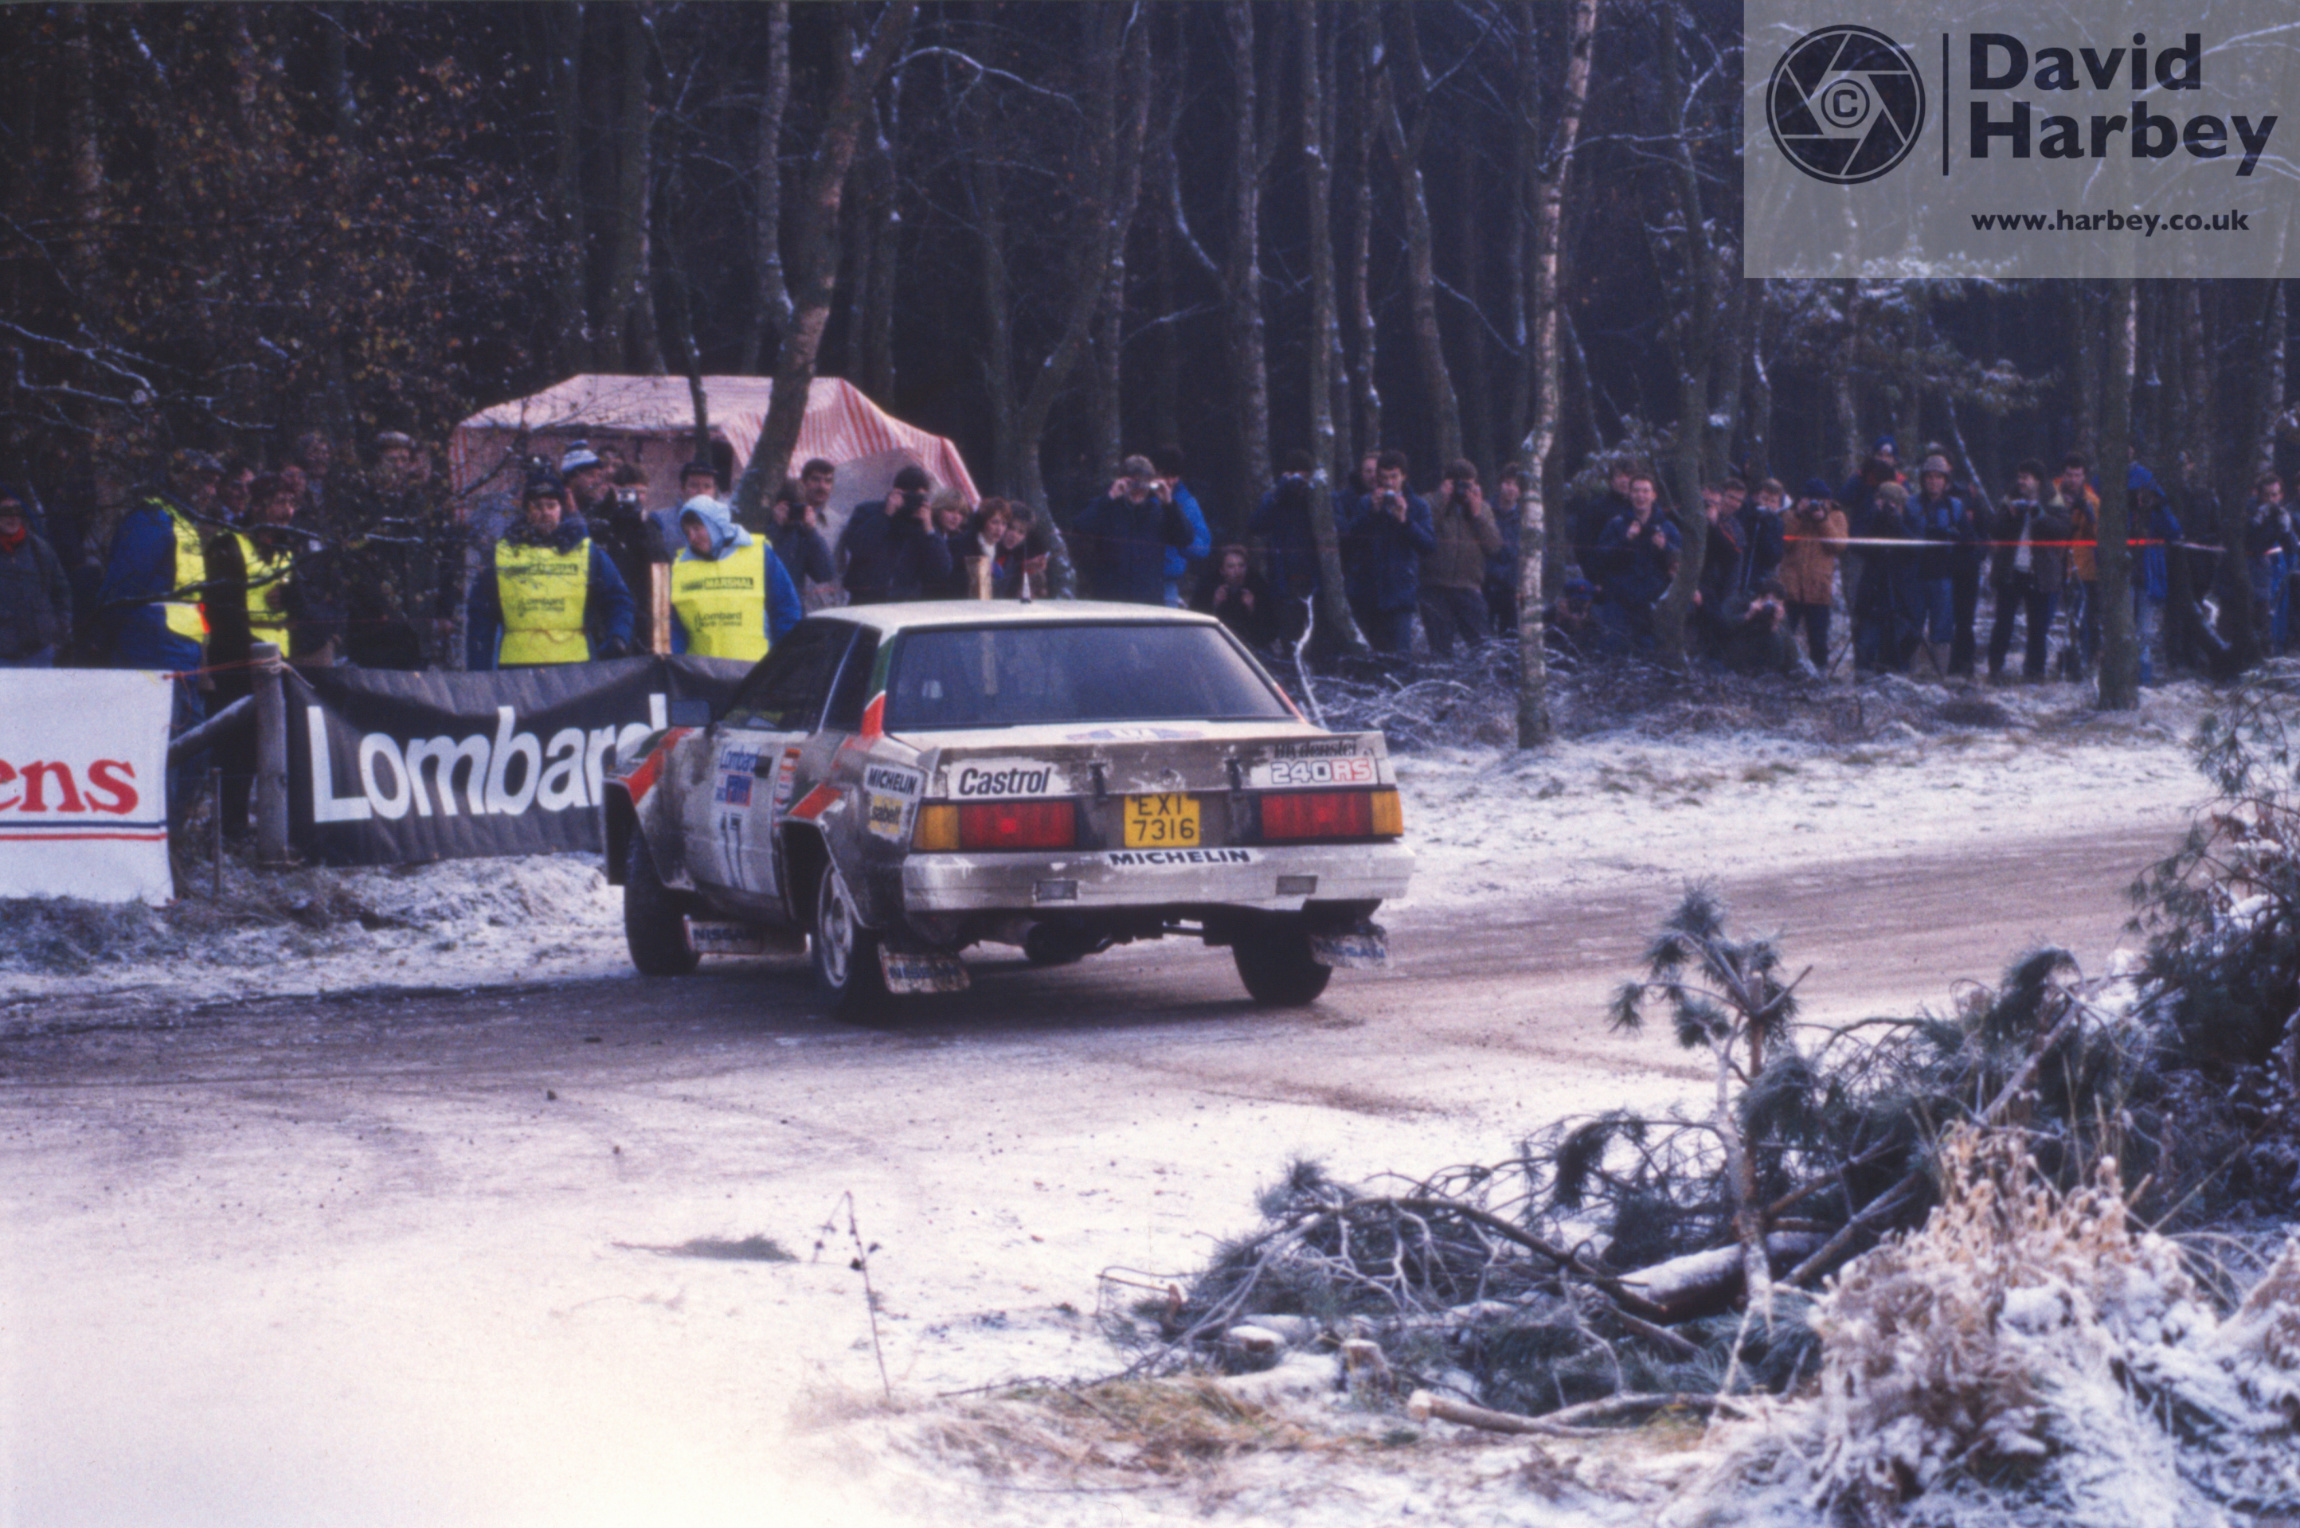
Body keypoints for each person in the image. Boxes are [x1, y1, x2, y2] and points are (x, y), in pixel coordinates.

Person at [204, 473, 312, 834]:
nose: (287, 511)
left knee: (273, 750)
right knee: (236, 751)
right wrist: (247, 654)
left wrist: (295, 599)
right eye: (280, 502)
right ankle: (229, 827)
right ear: (259, 505)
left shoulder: (289, 548)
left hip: (280, 662)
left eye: (291, 503)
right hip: (238, 662)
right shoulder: (228, 544)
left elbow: (311, 602)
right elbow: (220, 609)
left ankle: (270, 827)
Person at [465, 469, 636, 669]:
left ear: (561, 509)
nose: (545, 512)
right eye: (537, 506)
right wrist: (479, 669)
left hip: (575, 668)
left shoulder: (587, 552)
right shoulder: (503, 554)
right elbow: (481, 617)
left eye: (551, 505)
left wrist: (618, 637)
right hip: (517, 670)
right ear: (526, 511)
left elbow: (618, 600)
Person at [668, 495, 802, 661]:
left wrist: (783, 661)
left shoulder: (759, 554)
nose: (691, 538)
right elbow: (674, 627)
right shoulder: (681, 567)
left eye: (697, 528)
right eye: (687, 532)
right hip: (700, 675)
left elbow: (786, 610)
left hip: (756, 672)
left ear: (715, 524)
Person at [1339, 450, 1437, 654]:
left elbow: (1429, 546)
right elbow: (1349, 539)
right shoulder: (1367, 502)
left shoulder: (1417, 506)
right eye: (1384, 477)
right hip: (1367, 593)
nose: (1389, 483)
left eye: (1394, 476)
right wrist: (1372, 514)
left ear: (1404, 476)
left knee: (1400, 658)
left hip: (1399, 592)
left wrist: (1405, 521)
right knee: (1368, 659)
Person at [1985, 460, 2071, 682]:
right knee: (2003, 624)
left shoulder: (2052, 498)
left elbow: (2063, 529)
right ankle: (1995, 669)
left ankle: (2034, 674)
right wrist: (2011, 516)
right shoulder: (2011, 496)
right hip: (2011, 571)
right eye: (2020, 476)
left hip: (2040, 572)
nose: (2021, 481)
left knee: (2038, 629)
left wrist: (2040, 516)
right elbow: (1994, 527)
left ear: (2038, 481)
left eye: (2026, 478)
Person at [1073, 455, 1193, 606]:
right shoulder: (1106, 508)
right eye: (1133, 483)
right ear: (1122, 481)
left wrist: (1169, 504)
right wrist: (1109, 497)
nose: (1138, 491)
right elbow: (1080, 528)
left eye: (1144, 484)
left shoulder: (1159, 513)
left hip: (1148, 602)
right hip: (1110, 602)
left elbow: (1186, 538)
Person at [1419, 459, 1503, 656]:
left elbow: (1494, 546)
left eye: (1469, 484)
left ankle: (1480, 684)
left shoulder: (1483, 508)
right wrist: (1442, 501)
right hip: (1434, 586)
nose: (1464, 490)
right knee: (1440, 650)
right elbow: (1422, 532)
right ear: (1448, 482)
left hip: (1469, 587)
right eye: (1460, 484)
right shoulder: (1429, 502)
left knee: (1482, 648)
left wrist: (1477, 515)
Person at [836, 464, 953, 603]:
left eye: (920, 497)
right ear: (897, 492)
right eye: (910, 495)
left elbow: (942, 570)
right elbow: (858, 548)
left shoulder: (923, 522)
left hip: (905, 602)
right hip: (865, 599)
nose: (914, 501)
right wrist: (886, 515)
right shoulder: (868, 511)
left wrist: (929, 530)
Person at [1592, 471, 1679, 654]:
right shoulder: (1616, 525)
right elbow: (1600, 558)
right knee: (1615, 651)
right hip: (1619, 599)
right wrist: (1626, 540)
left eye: (1646, 491)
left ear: (1654, 495)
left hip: (1653, 600)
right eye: (1636, 491)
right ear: (1629, 494)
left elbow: (1681, 563)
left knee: (1650, 652)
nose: (1641, 496)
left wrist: (1665, 548)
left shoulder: (1667, 527)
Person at [1907, 455, 1974, 676]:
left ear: (1946, 481)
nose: (1933, 482)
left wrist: (1954, 537)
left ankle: (1940, 675)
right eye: (1929, 477)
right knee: (1912, 626)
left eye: (1938, 477)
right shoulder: (1911, 504)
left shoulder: (1956, 507)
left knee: (1943, 630)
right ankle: (1910, 673)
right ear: (1922, 480)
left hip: (1944, 576)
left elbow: (1969, 541)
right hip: (1916, 574)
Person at [1777, 479, 1847, 673]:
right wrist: (1798, 515)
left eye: (1820, 500)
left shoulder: (1837, 516)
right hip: (1790, 586)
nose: (1815, 504)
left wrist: (1822, 520)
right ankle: (1781, 671)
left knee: (1818, 638)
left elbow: (1839, 545)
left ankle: (1820, 673)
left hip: (1818, 588)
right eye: (1810, 500)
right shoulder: (1790, 514)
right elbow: (1783, 543)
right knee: (1784, 633)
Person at [0, 485, 72, 668]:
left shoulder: (40, 549)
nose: (13, 517)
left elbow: (62, 593)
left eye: (17, 511)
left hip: (40, 655)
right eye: (5, 511)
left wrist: (58, 634)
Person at [2128, 462, 2184, 686]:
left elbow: (2175, 531)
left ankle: (2143, 679)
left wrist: (2160, 508)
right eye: (2139, 494)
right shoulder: (2122, 512)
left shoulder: (2158, 513)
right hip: (2126, 578)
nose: (2144, 498)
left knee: (2144, 634)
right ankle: (2122, 677)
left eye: (2148, 494)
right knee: (2124, 630)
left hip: (2148, 579)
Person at [1250, 450, 1323, 608]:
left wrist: (1313, 495)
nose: (1300, 484)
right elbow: (1256, 525)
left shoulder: (1316, 500)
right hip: (1285, 581)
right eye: (1297, 478)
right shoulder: (1276, 500)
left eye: (1304, 478)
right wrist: (1280, 491)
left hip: (1314, 580)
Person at [2052, 453, 2102, 677]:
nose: (2073, 480)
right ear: (2063, 475)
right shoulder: (2051, 494)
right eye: (2069, 475)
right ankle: (2067, 659)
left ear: (2084, 476)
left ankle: (2085, 660)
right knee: (2063, 617)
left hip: (2084, 567)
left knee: (2084, 618)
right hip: (2056, 563)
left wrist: (2089, 516)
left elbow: (2098, 535)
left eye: (2078, 475)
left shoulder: (2092, 500)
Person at [1150, 445, 1212, 608]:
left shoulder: (1186, 503)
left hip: (1167, 584)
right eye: (1165, 475)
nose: (1170, 481)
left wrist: (1180, 537)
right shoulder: (1138, 497)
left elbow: (1202, 549)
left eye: (1175, 475)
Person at [2243, 472, 2297, 654]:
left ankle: (2270, 654)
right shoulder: (2250, 510)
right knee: (2251, 617)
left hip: (2269, 572)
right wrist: (2259, 520)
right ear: (2259, 494)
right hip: (2247, 570)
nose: (2272, 499)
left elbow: (2290, 548)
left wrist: (2286, 528)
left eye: (2275, 494)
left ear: (2281, 495)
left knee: (2270, 616)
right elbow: (2250, 542)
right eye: (2267, 495)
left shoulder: (2280, 513)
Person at [1191, 544, 1275, 647]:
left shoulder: (1257, 585)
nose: (1237, 571)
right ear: (1222, 570)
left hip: (1250, 645)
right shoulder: (1208, 586)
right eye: (1231, 566)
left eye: (1241, 565)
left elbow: (1270, 631)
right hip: (1216, 643)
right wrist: (1214, 604)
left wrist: (1252, 608)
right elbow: (1196, 623)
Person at [1485, 466, 1527, 636]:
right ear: (1499, 484)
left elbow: (1536, 554)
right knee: (1481, 640)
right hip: (1484, 584)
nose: (1511, 489)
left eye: (1516, 485)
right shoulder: (1484, 510)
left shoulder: (1527, 516)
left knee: (1510, 640)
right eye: (1508, 483)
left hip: (1512, 588)